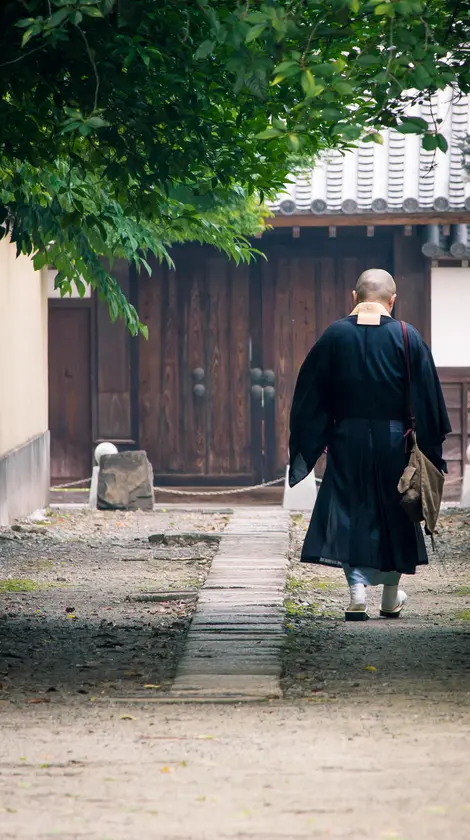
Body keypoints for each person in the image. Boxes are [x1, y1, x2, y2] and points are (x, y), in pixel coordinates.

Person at [289, 268, 451, 621]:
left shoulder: (334, 336)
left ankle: (356, 593)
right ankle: (390, 597)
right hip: (396, 441)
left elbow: (309, 396)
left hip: (346, 440)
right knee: (396, 513)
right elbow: (429, 402)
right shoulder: (408, 336)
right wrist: (432, 452)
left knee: (350, 511)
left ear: (354, 297)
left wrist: (317, 438)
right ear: (392, 300)